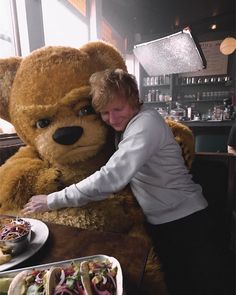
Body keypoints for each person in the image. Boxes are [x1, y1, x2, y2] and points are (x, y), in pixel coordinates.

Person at [23, 69, 224, 295]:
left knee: (200, 286)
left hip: (187, 221)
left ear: (134, 100)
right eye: (105, 113)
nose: (112, 118)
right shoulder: (128, 124)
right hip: (164, 220)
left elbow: (111, 177)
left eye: (118, 109)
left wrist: (53, 200)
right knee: (177, 283)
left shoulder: (145, 124)